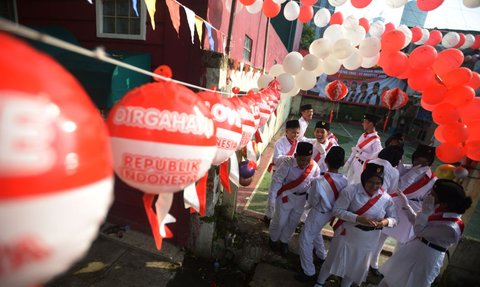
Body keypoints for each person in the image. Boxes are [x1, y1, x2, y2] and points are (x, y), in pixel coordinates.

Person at [314, 163, 397, 287]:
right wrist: (358, 218)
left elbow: (395, 219)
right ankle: (319, 283)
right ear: (364, 179)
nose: (375, 186)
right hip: (347, 233)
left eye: (378, 183)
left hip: (369, 239)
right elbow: (337, 210)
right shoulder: (351, 191)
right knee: (333, 260)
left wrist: (384, 222)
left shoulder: (386, 198)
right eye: (371, 182)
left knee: (355, 266)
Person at [379, 179, 472, 287]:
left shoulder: (452, 227)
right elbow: (417, 223)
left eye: (432, 195)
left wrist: (425, 212)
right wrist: (406, 205)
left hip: (427, 257)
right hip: (414, 249)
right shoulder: (440, 210)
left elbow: (419, 231)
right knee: (391, 279)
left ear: (445, 203)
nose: (428, 196)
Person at [296, 147, 348, 282]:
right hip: (332, 214)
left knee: (305, 239)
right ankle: (320, 254)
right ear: (343, 163)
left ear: (326, 160)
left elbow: (312, 201)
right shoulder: (345, 181)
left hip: (319, 212)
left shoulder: (318, 181)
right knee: (316, 231)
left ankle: (309, 272)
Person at [268, 142, 320, 256]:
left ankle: (284, 241)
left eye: (307, 160)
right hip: (286, 197)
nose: (304, 163)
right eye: (302, 160)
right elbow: (277, 181)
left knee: (293, 222)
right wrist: (272, 199)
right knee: (280, 220)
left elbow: (316, 185)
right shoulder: (287, 164)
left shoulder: (314, 166)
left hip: (301, 199)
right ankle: (273, 238)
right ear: (296, 156)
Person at [382, 145, 437, 247]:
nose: (418, 164)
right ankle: (373, 261)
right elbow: (393, 186)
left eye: (423, 162)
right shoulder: (405, 168)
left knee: (403, 243)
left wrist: (407, 203)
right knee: (382, 234)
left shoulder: (433, 180)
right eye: (417, 160)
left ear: (428, 163)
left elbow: (426, 203)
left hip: (409, 213)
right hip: (393, 207)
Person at [366, 145, 404, 276]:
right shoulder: (394, 172)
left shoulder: (371, 162)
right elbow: (392, 190)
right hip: (378, 204)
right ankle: (368, 265)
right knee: (374, 236)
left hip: (362, 198)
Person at [265, 120, 301, 224]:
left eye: (297, 133)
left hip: (289, 173)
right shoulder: (280, 143)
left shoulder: (298, 143)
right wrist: (291, 158)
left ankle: (279, 217)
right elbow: (276, 159)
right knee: (273, 193)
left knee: (284, 195)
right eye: (293, 132)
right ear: (287, 131)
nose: (295, 135)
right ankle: (268, 216)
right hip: (278, 171)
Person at [344, 114, 382, 185]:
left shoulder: (376, 141)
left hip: (362, 167)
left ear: (370, 124)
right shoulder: (363, 135)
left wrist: (362, 154)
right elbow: (356, 150)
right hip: (355, 161)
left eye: (364, 121)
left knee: (356, 185)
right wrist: (349, 161)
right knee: (347, 182)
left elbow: (376, 158)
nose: (362, 123)